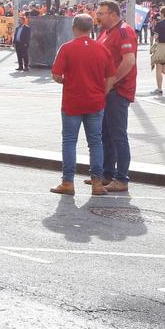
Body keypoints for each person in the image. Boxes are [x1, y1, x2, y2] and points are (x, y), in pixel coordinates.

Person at [50, 14, 116, 196]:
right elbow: (111, 77)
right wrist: (102, 92)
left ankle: (68, 182)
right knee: (95, 142)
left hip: (72, 102)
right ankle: (97, 182)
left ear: (74, 28)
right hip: (95, 102)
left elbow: (56, 75)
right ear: (91, 29)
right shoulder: (102, 50)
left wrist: (66, 82)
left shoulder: (67, 48)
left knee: (70, 141)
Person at [92, 0, 138, 193]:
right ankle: (107, 174)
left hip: (117, 92)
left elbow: (129, 61)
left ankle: (121, 178)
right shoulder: (105, 32)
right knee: (106, 134)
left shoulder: (124, 31)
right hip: (107, 91)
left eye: (101, 13)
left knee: (118, 135)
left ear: (113, 14)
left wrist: (110, 83)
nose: (98, 16)